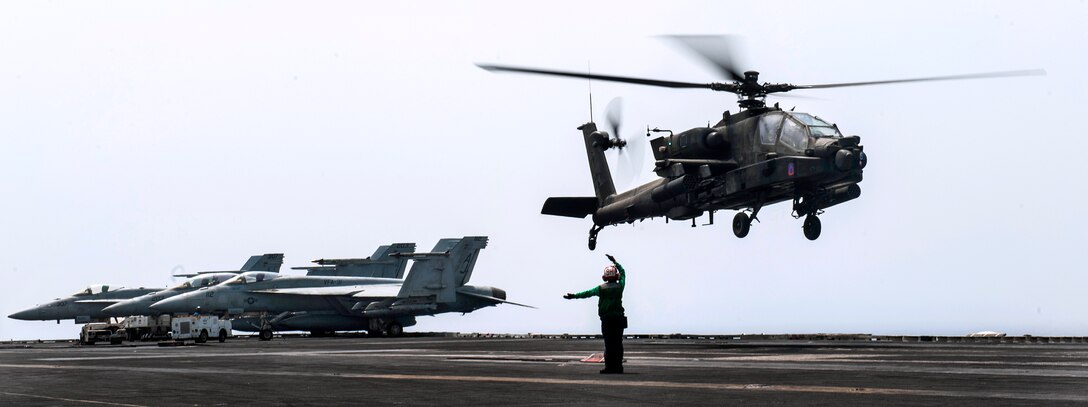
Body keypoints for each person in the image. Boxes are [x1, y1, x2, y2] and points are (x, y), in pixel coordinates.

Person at [564, 253, 627, 374]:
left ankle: (609, 367)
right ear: (616, 276)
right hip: (619, 319)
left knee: (608, 344)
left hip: (607, 319)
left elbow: (586, 293)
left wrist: (573, 296)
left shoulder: (601, 289)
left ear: (605, 277)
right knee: (618, 343)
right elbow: (623, 272)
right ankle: (618, 367)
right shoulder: (620, 286)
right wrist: (615, 261)